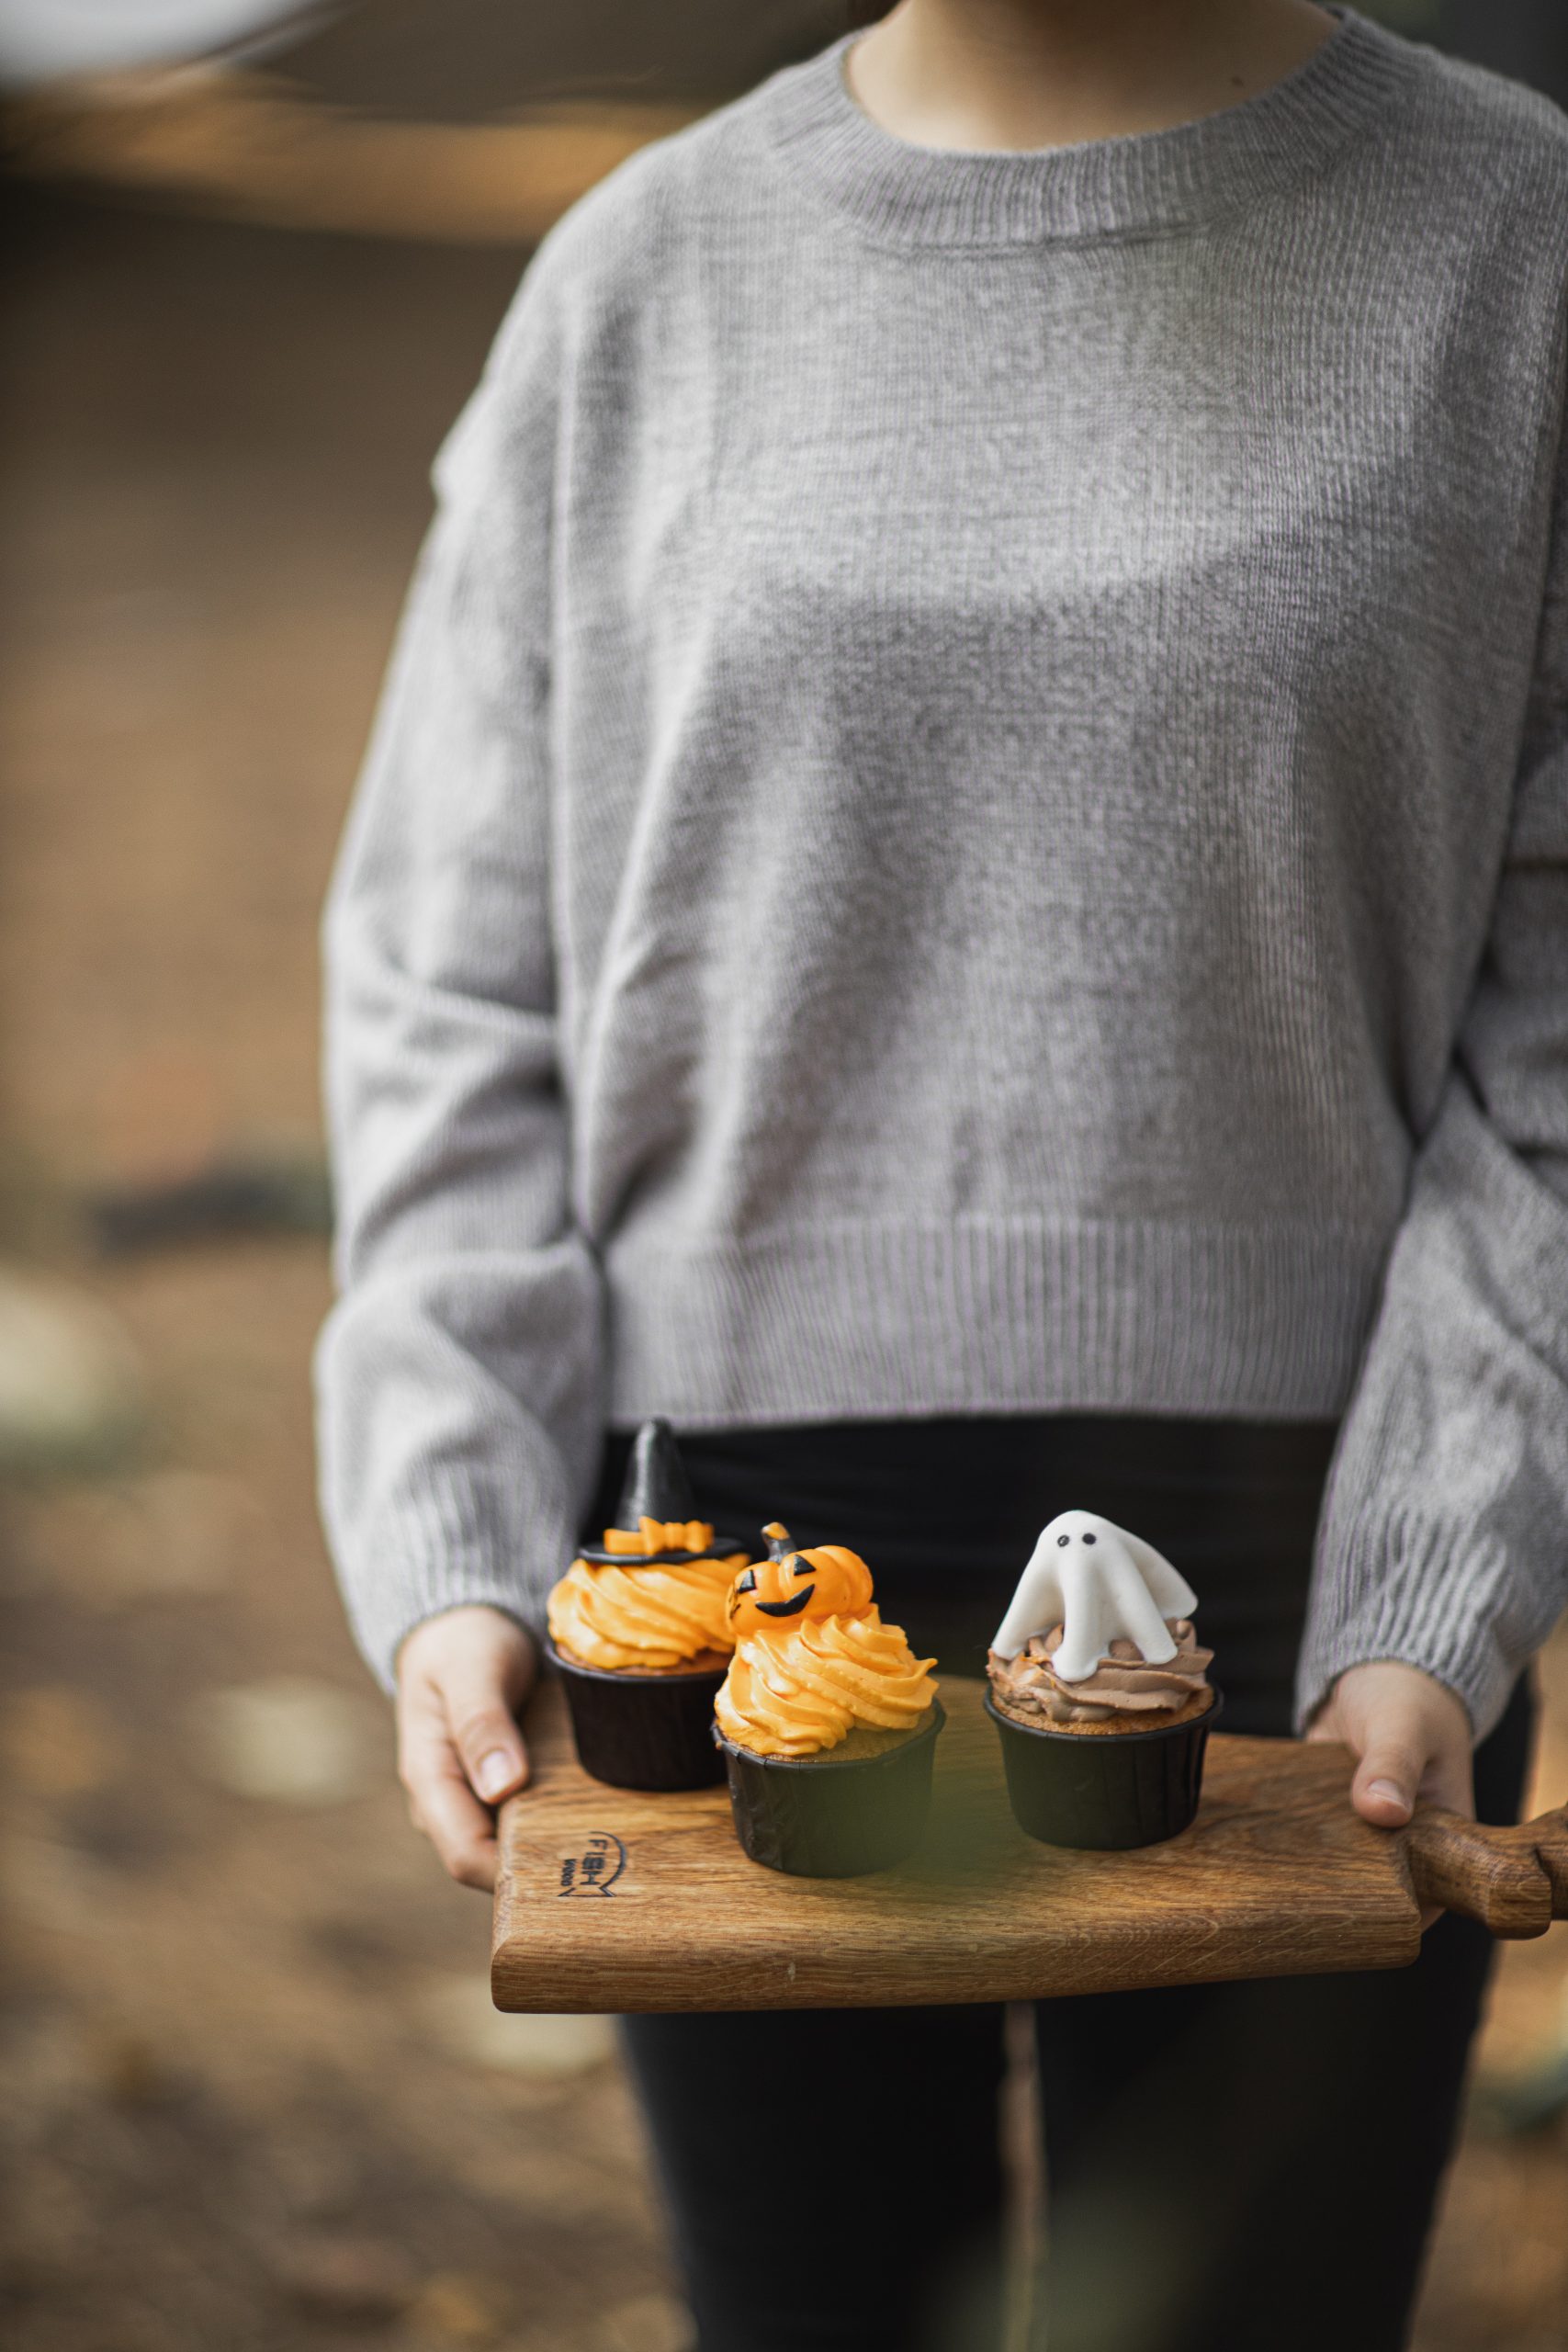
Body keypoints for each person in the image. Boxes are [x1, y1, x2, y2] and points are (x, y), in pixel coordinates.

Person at [315, 2, 1568, 2344]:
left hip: (1316, 1608)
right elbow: (444, 983)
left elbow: (1561, 1023)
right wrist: (450, 1519)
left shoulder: (1518, 253)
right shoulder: (638, 274)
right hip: (723, 1603)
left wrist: (1436, 1567)